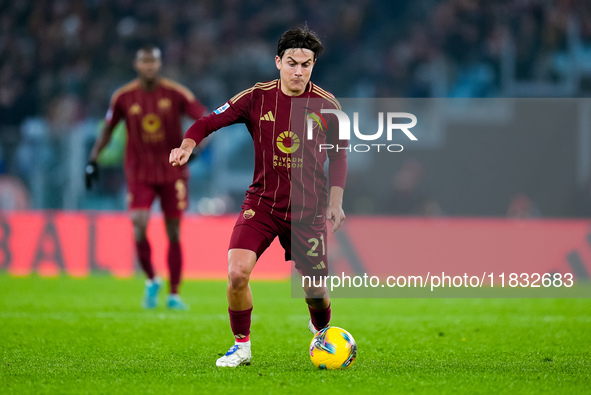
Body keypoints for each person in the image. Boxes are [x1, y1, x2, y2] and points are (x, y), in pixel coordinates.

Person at [169, 27, 348, 367]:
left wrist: (335, 202)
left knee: (316, 291)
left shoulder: (327, 106)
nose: (299, 71)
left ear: (313, 66)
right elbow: (208, 122)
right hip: (262, 204)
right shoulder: (257, 97)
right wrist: (187, 145)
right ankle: (241, 346)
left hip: (307, 212)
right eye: (292, 63)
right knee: (237, 273)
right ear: (278, 62)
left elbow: (339, 156)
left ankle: (322, 331)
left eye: (306, 65)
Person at [87, 45, 207, 310]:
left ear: (159, 64)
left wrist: (196, 148)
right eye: (145, 62)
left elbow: (205, 120)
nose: (150, 66)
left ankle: (174, 294)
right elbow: (108, 129)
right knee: (139, 224)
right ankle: (152, 279)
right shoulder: (123, 97)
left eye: (154, 62)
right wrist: (93, 158)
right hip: (139, 171)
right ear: (137, 65)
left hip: (173, 170)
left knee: (173, 232)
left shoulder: (176, 93)